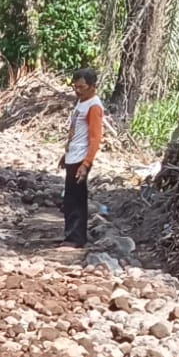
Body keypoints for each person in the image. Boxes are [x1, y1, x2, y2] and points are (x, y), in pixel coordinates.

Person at [60, 67, 104, 249]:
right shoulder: (81, 102)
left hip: (81, 158)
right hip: (73, 155)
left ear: (92, 86)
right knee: (70, 198)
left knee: (76, 199)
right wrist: (66, 154)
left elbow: (95, 138)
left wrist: (86, 163)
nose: (77, 90)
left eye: (81, 87)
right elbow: (77, 132)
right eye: (75, 87)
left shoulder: (93, 106)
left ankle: (76, 238)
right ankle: (72, 235)